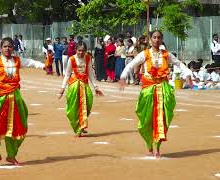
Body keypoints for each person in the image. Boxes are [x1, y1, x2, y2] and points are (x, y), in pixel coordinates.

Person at [119, 30, 192, 158]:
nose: (157, 40)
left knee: (162, 118)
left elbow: (179, 63)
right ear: (150, 39)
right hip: (148, 90)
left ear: (161, 39)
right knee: (146, 119)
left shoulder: (166, 54)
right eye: (154, 37)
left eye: (159, 38)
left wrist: (187, 74)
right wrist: (123, 76)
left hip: (163, 90)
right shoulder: (145, 54)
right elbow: (131, 64)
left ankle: (158, 147)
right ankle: (149, 145)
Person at [0, 37, 44, 167]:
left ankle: (11, 156)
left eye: (10, 46)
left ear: (13, 48)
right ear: (1, 48)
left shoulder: (17, 60)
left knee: (17, 127)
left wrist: (44, 65)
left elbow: (31, 62)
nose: (7, 49)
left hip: (15, 99)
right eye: (5, 46)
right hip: (0, 99)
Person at [58, 42, 103, 137]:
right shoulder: (72, 59)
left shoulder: (88, 58)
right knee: (73, 107)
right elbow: (67, 74)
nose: (81, 53)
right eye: (79, 50)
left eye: (83, 50)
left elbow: (90, 72)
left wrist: (95, 86)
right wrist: (62, 88)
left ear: (86, 51)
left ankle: (82, 124)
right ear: (76, 50)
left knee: (88, 103)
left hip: (84, 84)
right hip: (74, 84)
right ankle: (77, 127)